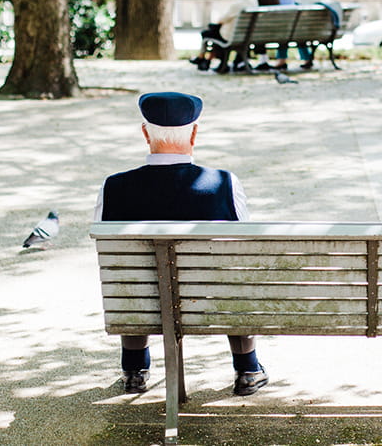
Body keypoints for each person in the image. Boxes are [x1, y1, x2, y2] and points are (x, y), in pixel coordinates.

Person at [94, 92, 269, 397]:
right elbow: (243, 244)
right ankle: (247, 368)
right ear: (195, 133)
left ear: (146, 134)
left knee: (132, 278)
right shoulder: (224, 183)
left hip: (143, 304)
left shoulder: (114, 187)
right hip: (211, 302)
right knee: (234, 274)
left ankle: (134, 369)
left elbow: (110, 251)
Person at [189, 0, 257, 73]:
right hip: (246, 35)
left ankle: (203, 58)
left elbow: (222, 19)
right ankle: (206, 60)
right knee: (212, 31)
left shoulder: (238, 4)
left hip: (232, 36)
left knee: (208, 32)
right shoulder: (254, 0)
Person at [255, 0, 295, 71]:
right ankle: (282, 60)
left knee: (258, 28)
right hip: (290, 26)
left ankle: (263, 60)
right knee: (283, 29)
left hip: (275, 27)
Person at [294, 0, 325, 69]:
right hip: (320, 26)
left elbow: (297, 6)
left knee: (298, 34)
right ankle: (308, 59)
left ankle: (307, 58)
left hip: (307, 27)